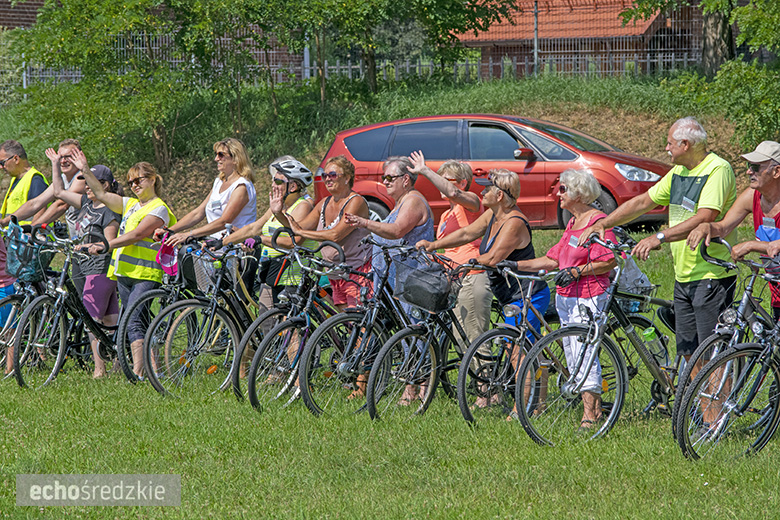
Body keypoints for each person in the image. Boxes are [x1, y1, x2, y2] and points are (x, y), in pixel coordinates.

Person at [580, 116, 737, 367]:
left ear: (685, 144)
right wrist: (604, 223)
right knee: (688, 352)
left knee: (712, 357)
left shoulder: (717, 169)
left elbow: (705, 217)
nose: (666, 148)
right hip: (683, 275)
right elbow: (644, 202)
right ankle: (694, 396)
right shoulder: (679, 172)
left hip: (711, 274)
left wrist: (659, 237)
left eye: (670, 143)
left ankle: (717, 396)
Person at [415, 169, 550, 414]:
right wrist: (435, 244)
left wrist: (469, 262)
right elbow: (467, 233)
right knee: (528, 350)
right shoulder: (493, 215)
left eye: (487, 188)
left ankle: (522, 409)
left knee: (516, 351)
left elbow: (494, 257)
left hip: (527, 293)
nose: (482, 191)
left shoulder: (514, 223)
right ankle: (538, 404)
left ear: (500, 195)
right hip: (509, 294)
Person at [507, 169, 617, 429]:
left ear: (579, 193)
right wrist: (515, 264)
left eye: (563, 189)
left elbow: (608, 260)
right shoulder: (572, 223)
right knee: (572, 353)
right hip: (566, 296)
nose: (558, 194)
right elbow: (553, 259)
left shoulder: (598, 222)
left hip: (589, 295)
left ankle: (590, 416)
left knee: (584, 352)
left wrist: (577, 272)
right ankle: (592, 409)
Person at [75, 150, 176, 378]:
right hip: (124, 272)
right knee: (137, 320)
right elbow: (101, 193)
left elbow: (137, 234)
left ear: (152, 179)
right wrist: (85, 169)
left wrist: (105, 245)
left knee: (133, 320)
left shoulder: (159, 208)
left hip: (145, 273)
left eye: (139, 180)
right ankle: (153, 368)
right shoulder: (131, 205)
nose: (134, 185)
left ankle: (138, 373)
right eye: (130, 182)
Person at [346, 156, 435, 402]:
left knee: (413, 331)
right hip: (391, 278)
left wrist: (365, 222)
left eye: (389, 177)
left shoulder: (414, 200)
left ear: (406, 179)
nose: (384, 182)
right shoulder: (400, 203)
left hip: (411, 277)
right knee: (399, 331)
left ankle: (421, 388)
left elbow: (397, 231)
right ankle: (405, 384)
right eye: (383, 177)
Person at [46, 148, 121, 378]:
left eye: (90, 183)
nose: (86, 187)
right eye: (85, 183)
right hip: (84, 267)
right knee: (109, 319)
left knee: (91, 319)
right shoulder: (85, 203)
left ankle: (99, 369)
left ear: (104, 185)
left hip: (100, 269)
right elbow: (59, 191)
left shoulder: (110, 210)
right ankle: (117, 364)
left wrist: (88, 247)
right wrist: (55, 164)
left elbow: (109, 243)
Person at [687, 140, 780, 320]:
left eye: (755, 167)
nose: (749, 172)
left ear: (776, 171)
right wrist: (707, 227)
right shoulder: (752, 196)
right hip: (775, 289)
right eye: (748, 166)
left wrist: (751, 245)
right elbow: (724, 226)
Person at [408, 151, 491, 346]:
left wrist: (426, 171)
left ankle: (486, 368)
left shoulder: (472, 202)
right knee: (461, 341)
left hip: (471, 275)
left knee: (475, 343)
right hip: (454, 279)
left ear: (462, 183)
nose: (439, 184)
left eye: (445, 180)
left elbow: (454, 194)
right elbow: (450, 250)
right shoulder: (446, 215)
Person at [275, 155, 372, 309]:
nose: (327, 179)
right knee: (344, 320)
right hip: (335, 274)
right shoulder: (324, 203)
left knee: (356, 321)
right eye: (324, 175)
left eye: (332, 175)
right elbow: (298, 227)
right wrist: (278, 213)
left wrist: (300, 231)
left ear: (347, 178)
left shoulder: (356, 202)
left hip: (356, 272)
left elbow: (336, 235)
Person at [221, 157, 316, 305]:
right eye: (273, 180)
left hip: (292, 276)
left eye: (278, 181)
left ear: (292, 187)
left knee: (286, 320)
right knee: (265, 318)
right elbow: (254, 228)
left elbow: (293, 242)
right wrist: (222, 242)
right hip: (271, 272)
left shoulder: (302, 206)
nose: (272, 185)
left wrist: (261, 239)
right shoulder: (278, 206)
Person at [157, 138, 256, 246]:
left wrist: (188, 234)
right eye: (216, 154)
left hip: (237, 249)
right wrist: (170, 231)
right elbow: (198, 213)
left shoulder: (241, 186)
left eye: (221, 155)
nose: (216, 159)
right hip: (216, 247)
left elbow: (224, 221)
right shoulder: (219, 182)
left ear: (236, 158)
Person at [0, 138, 87, 234]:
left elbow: (61, 205)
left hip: (92, 237)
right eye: (60, 157)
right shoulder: (62, 179)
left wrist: (31, 229)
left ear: (79, 156)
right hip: (78, 236)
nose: (62, 161)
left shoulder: (82, 178)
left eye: (68, 157)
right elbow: (35, 203)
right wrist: (4, 222)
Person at [0, 140, 49, 225]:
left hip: (26, 233)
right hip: (13, 233)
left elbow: (40, 211)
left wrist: (31, 231)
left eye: (2, 162)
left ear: (16, 159)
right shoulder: (15, 180)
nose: (1, 167)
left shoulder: (35, 179)